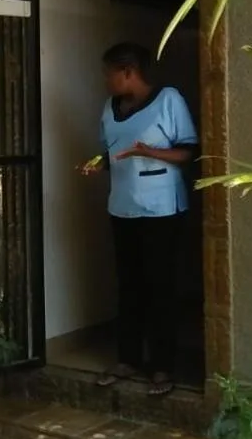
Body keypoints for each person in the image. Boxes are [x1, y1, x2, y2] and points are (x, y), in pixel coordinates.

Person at [81, 42, 198, 396]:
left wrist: (149, 152)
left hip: (161, 209)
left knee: (160, 286)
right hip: (122, 207)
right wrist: (98, 163)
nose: (105, 80)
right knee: (129, 285)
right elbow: (112, 151)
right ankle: (127, 359)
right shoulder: (110, 108)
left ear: (129, 72)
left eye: (109, 73)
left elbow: (188, 152)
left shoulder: (168, 100)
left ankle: (162, 366)